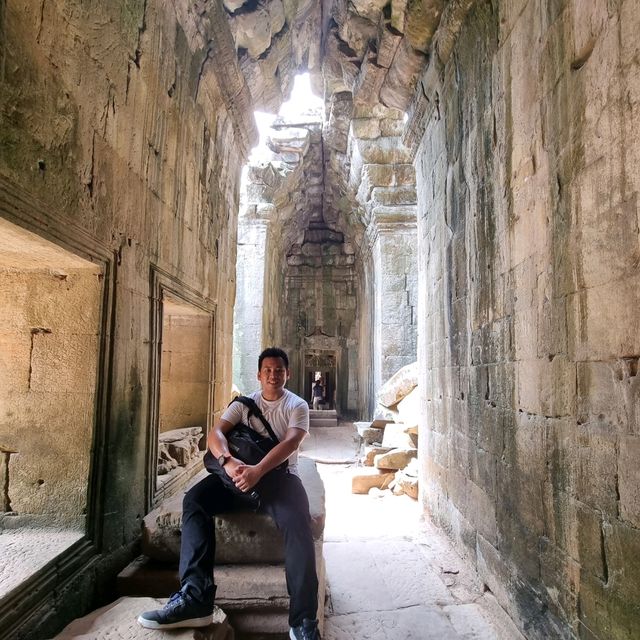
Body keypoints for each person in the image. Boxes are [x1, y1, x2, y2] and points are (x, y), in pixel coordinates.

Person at [138, 347, 321, 640]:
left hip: (279, 479)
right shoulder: (243, 404)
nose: (273, 375)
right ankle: (196, 598)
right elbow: (216, 434)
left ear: (288, 374)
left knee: (298, 524)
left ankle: (303, 620)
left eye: (279, 371)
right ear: (259, 375)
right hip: (237, 476)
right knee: (195, 500)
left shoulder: (296, 405)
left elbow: (291, 443)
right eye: (268, 370)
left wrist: (258, 470)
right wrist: (228, 460)